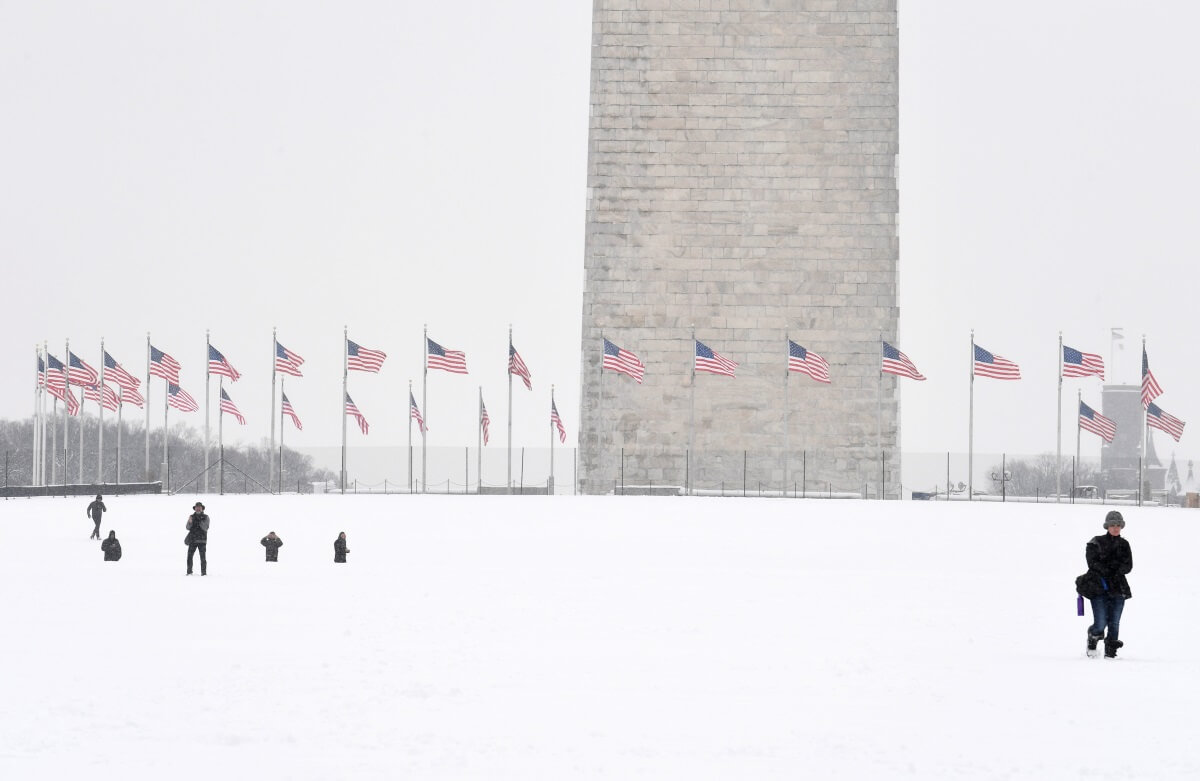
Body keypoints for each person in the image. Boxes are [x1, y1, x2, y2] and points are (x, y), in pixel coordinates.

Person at [1077, 510, 1133, 658]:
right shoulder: (1095, 542)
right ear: (1107, 526)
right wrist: (1110, 568)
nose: (1115, 528)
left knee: (1114, 622)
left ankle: (1111, 652)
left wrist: (1113, 568)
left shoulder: (1124, 544)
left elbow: (1128, 566)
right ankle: (1093, 637)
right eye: (1112, 525)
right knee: (1101, 623)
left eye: (1118, 525)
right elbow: (1092, 563)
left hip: (1118, 588)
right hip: (1098, 588)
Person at [185, 502, 210, 576]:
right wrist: (190, 522)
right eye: (197, 507)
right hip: (192, 540)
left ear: (202, 509)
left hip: (202, 540)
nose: (198, 508)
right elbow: (187, 527)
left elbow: (205, 527)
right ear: (195, 508)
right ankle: (189, 572)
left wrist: (199, 520)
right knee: (189, 557)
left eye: (199, 507)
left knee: (203, 558)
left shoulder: (206, 517)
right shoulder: (191, 516)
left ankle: (204, 573)